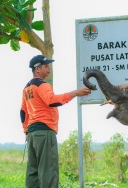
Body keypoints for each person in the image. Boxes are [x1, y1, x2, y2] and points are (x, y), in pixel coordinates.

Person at [20, 55, 91, 188]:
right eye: (46, 66)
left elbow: (23, 112)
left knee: (33, 173)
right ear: (37, 69)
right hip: (45, 132)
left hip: (32, 134)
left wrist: (26, 131)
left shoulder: (27, 88)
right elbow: (52, 101)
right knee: (48, 172)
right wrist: (75, 93)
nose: (49, 68)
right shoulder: (42, 85)